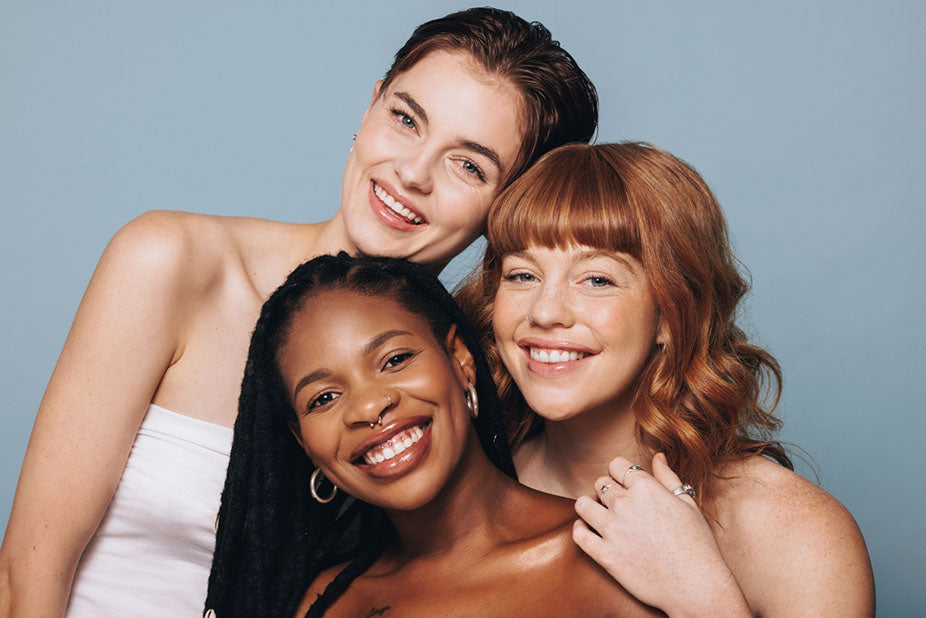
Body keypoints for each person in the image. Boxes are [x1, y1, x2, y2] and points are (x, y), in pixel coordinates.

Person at [0, 8, 597, 616]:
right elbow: (29, 574)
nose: (411, 173)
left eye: (468, 164)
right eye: (405, 119)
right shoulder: (174, 263)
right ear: (369, 108)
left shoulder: (477, 377)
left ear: (510, 206)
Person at [457, 142, 875, 616]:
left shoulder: (793, 531)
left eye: (597, 280)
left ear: (670, 316)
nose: (545, 311)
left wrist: (701, 594)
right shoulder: (467, 493)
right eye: (522, 275)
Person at [205, 253, 660, 617]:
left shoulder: (608, 557)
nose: (368, 407)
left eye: (395, 360)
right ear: (303, 441)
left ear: (460, 361)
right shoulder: (324, 602)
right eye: (323, 399)